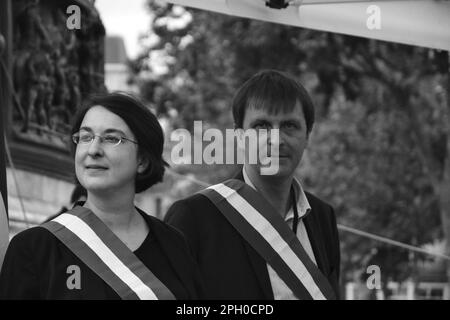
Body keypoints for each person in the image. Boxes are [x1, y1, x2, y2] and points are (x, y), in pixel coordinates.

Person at [0, 92, 204, 299]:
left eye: (111, 138)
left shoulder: (173, 244)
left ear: (142, 160)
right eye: (85, 137)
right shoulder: (34, 248)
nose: (93, 150)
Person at [165, 70, 341, 300]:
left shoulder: (322, 216)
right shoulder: (194, 217)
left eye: (289, 126)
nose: (276, 140)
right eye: (262, 126)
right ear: (239, 137)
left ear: (307, 135)